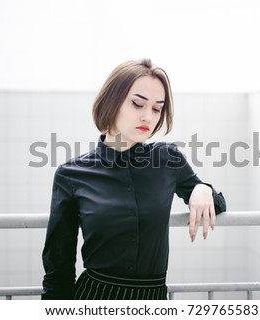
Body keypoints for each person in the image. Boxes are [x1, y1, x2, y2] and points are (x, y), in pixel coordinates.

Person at [41, 59, 226, 300]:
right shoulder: (72, 174)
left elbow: (218, 204)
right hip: (95, 297)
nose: (148, 117)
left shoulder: (168, 158)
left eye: (157, 108)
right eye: (138, 104)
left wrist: (203, 188)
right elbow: (58, 265)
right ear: (111, 102)